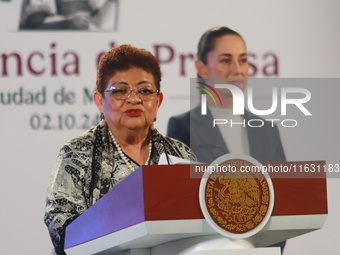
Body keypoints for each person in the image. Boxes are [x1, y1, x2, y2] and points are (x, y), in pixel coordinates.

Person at [44, 44, 196, 255]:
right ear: (99, 101)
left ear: (158, 101)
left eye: (145, 91)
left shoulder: (181, 154)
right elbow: (60, 225)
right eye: (120, 91)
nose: (134, 99)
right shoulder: (77, 153)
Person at [166, 26, 286, 252]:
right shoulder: (183, 127)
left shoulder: (268, 131)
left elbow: (285, 204)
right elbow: (178, 206)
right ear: (201, 68)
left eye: (242, 60)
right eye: (225, 60)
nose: (237, 70)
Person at [19, 0, 119, 30]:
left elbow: (98, 24)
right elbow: (34, 25)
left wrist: (111, 2)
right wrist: (68, 22)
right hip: (52, 56)